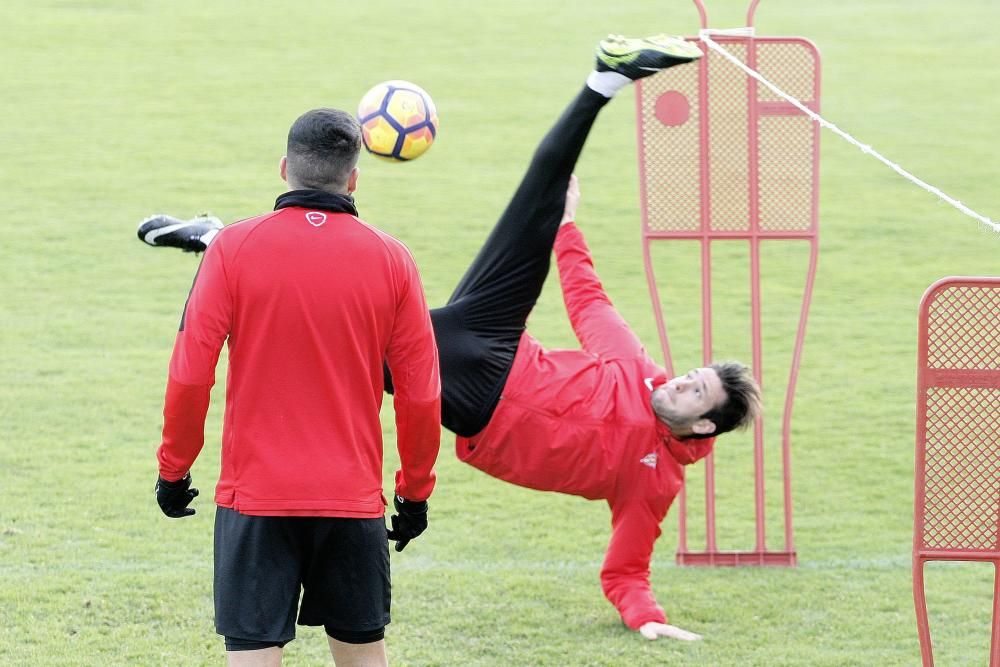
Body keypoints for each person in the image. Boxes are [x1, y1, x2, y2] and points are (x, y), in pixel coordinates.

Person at [141, 33, 762, 643]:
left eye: (695, 391)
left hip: (468, 400)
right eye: (693, 372)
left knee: (318, 339)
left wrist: (647, 618)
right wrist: (565, 229)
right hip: (493, 338)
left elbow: (628, 567)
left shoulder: (654, 481)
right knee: (537, 203)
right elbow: (588, 300)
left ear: (704, 427)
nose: (681, 379)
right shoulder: (636, 366)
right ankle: (608, 78)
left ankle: (217, 242)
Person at [152, 106, 442, 666]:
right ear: (353, 178)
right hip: (352, 503)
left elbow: (190, 372)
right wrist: (415, 490)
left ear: (284, 167)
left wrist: (173, 469)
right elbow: (421, 391)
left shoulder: (230, 250)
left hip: (255, 500)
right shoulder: (394, 260)